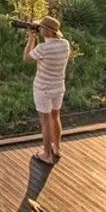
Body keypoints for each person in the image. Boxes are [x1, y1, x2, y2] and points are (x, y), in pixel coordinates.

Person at [23, 16, 70, 165]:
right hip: (58, 87)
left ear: (49, 31)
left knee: (45, 122)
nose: (40, 29)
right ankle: (57, 149)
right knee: (55, 117)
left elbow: (26, 58)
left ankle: (47, 155)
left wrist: (31, 38)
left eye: (42, 28)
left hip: (43, 89)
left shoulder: (43, 48)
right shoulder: (65, 44)